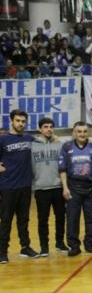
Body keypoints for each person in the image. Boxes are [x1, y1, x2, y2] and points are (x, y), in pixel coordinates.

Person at [0, 110, 38, 263]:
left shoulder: (29, 138)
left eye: (23, 121)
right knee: (6, 220)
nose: (20, 124)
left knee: (24, 219)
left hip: (25, 186)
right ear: (11, 121)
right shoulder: (3, 139)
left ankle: (25, 247)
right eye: (18, 120)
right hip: (7, 186)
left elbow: (48, 140)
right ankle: (2, 251)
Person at [59, 122, 92, 257]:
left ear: (88, 132)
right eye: (79, 131)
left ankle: (89, 243)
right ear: (74, 133)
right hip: (73, 187)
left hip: (91, 188)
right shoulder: (67, 146)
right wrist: (65, 187)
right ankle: (74, 246)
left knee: (91, 218)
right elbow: (62, 169)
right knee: (72, 218)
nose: (82, 134)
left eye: (84, 131)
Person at [31, 117, 68, 256]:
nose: (49, 129)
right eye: (45, 127)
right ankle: (44, 247)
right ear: (40, 129)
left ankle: (60, 242)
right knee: (42, 219)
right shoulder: (32, 145)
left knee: (60, 217)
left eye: (51, 127)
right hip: (41, 187)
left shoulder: (59, 144)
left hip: (58, 186)